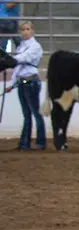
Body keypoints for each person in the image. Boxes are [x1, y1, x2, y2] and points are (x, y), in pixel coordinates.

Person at [3, 21, 45, 151]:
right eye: (23, 30)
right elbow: (18, 68)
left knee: (36, 113)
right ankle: (24, 143)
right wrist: (13, 84)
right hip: (23, 82)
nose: (25, 32)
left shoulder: (35, 46)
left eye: (28, 29)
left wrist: (8, 60)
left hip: (31, 81)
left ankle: (40, 142)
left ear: (32, 31)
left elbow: (22, 59)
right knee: (27, 114)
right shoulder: (22, 46)